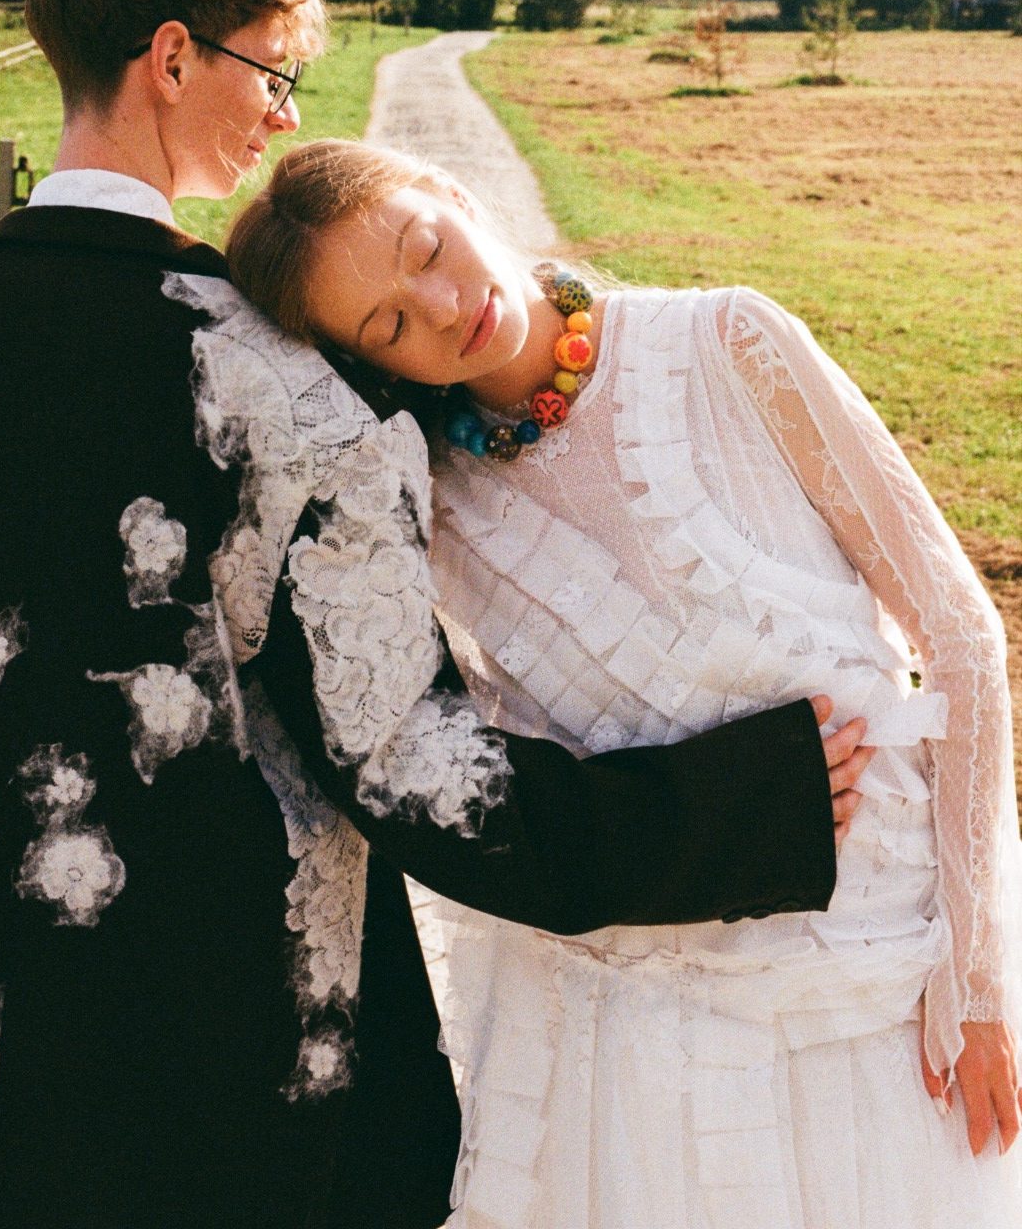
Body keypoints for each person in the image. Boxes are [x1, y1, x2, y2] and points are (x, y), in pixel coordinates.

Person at [0, 0, 864, 1229]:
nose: (285, 117)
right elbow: (420, 775)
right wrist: (742, 804)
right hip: (224, 1104)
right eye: (274, 73)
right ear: (173, 56)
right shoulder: (293, 393)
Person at [223, 136, 1022, 1228]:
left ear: (452, 193)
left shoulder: (728, 344)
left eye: (428, 248)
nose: (444, 308)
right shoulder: (422, 500)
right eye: (390, 325)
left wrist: (977, 978)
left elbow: (962, 634)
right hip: (634, 1028)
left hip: (870, 978)